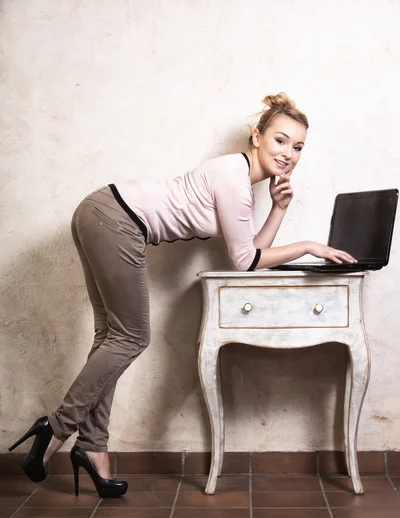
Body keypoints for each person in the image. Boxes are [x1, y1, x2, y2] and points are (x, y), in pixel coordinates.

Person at [8, 92, 356, 497]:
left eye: (298, 147)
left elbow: (251, 252)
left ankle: (92, 448)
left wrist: (278, 209)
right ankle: (57, 427)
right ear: (257, 137)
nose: (289, 154)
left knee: (111, 338)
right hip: (116, 219)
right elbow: (245, 262)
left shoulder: (237, 178)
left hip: (101, 210)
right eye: (280, 140)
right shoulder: (234, 179)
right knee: (131, 336)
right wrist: (309, 245)